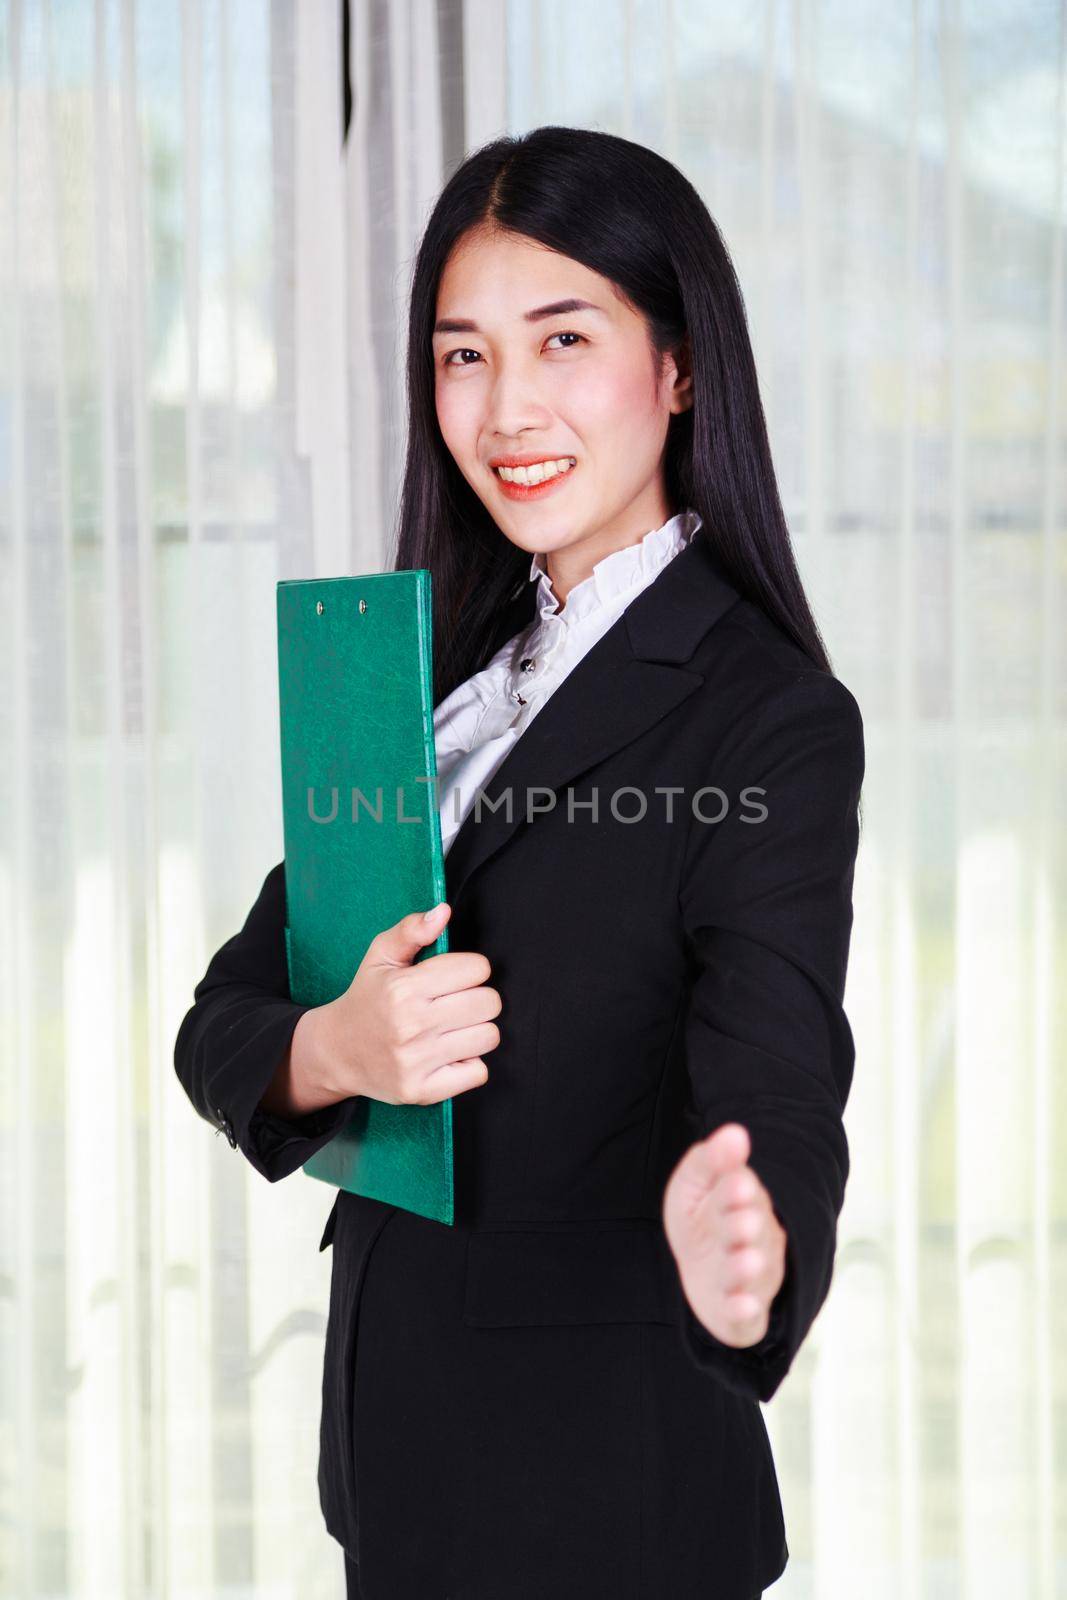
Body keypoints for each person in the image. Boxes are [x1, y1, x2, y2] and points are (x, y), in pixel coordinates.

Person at [174, 125, 865, 1600]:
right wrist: (334, 1046)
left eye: (564, 340)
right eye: (464, 355)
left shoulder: (768, 716)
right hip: (401, 1471)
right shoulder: (423, 678)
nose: (507, 408)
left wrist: (751, 1252)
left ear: (679, 368)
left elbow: (781, 1074)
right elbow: (222, 1020)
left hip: (606, 1497)